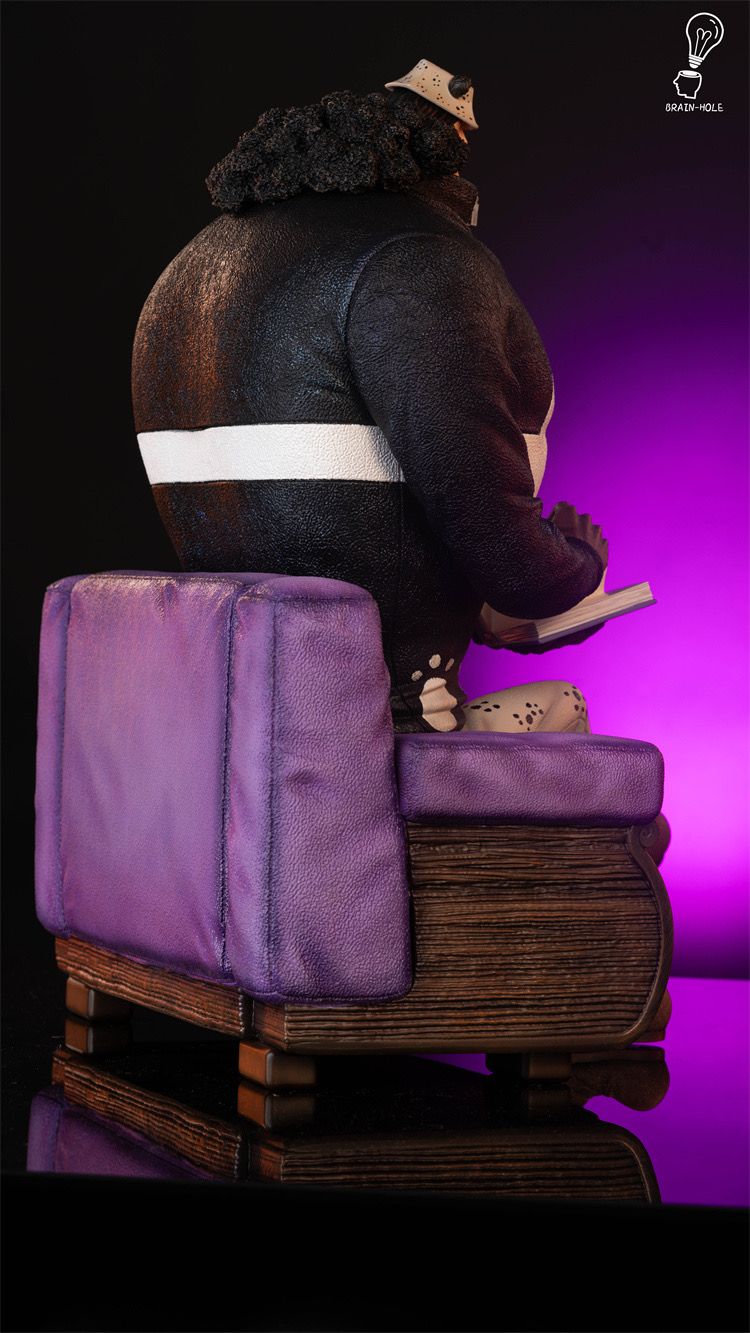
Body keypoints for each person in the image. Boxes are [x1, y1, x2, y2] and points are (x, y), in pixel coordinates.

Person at [132, 58, 610, 739]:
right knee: (571, 716)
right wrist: (573, 568)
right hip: (384, 715)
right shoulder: (417, 255)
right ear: (437, 150)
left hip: (228, 716)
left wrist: (472, 604)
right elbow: (489, 521)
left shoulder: (188, 267)